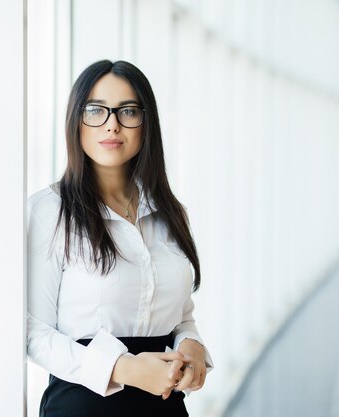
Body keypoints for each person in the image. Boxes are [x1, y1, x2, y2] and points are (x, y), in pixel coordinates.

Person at [27, 60, 214, 417]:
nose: (112, 123)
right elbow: (32, 332)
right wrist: (123, 368)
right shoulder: (48, 213)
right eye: (96, 110)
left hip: (164, 408)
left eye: (128, 111)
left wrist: (191, 345)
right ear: (76, 121)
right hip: (83, 407)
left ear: (146, 124)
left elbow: (180, 315)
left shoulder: (170, 213)